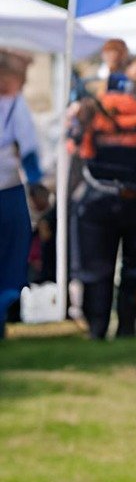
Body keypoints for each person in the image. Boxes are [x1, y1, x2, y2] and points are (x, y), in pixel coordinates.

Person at [72, 51, 136, 339]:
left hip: (97, 196)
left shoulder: (90, 108)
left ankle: (96, 327)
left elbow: (76, 149)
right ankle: (126, 326)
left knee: (97, 268)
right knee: (134, 267)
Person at [0, 50, 46, 336]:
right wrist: (37, 184)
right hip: (8, 191)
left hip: (9, 188)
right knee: (10, 255)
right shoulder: (15, 105)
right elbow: (27, 149)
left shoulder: (16, 104)